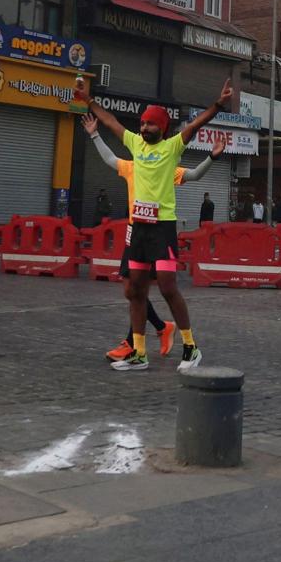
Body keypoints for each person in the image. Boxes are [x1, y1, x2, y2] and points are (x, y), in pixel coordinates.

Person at [88, 79, 233, 372]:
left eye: (150, 125)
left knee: (168, 287)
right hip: (138, 229)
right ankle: (139, 352)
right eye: (142, 124)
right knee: (136, 290)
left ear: (162, 128)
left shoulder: (171, 149)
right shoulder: (133, 147)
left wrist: (218, 105)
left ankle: (191, 347)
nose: (143, 128)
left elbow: (196, 125)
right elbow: (111, 121)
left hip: (162, 228)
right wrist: (88, 101)